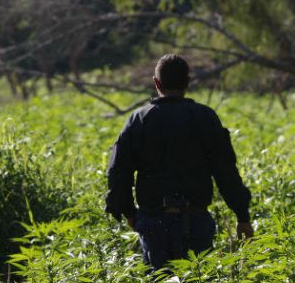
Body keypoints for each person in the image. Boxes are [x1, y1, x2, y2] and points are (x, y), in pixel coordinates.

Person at [105, 53, 254, 270]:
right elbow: (226, 171)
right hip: (196, 221)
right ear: (187, 82)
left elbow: (118, 172)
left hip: (153, 222)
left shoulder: (139, 120)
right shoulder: (205, 117)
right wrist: (242, 216)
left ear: (156, 83)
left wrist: (129, 213)